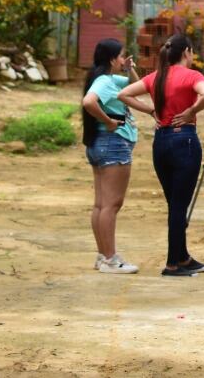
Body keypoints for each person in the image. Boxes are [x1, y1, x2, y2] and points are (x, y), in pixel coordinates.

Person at [118, 33, 204, 277]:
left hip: (161, 142)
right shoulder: (192, 75)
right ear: (187, 52)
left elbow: (124, 94)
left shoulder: (156, 77)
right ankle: (172, 264)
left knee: (175, 203)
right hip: (185, 140)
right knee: (179, 205)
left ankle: (182, 257)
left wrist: (151, 110)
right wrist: (191, 109)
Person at [81, 38, 151, 274]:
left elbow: (139, 86)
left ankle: (103, 256)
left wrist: (129, 67)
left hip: (102, 145)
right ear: (111, 59)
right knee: (112, 204)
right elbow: (89, 102)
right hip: (113, 144)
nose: (124, 59)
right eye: (121, 56)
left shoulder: (108, 79)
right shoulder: (103, 81)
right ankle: (111, 259)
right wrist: (109, 121)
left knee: (102, 204)